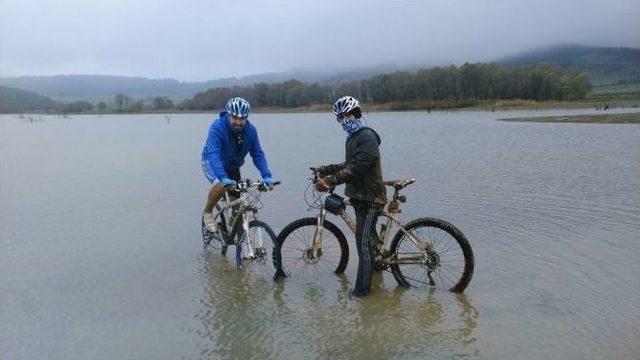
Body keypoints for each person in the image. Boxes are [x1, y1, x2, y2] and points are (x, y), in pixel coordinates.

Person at [314, 96, 387, 297]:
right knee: (368, 241)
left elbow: (358, 168)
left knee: (362, 244)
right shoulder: (354, 137)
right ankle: (376, 272)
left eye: (344, 116)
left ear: (354, 114)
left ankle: (362, 293)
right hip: (360, 197)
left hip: (370, 198)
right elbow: (349, 165)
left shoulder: (366, 136)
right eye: (339, 118)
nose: (342, 121)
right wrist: (326, 169)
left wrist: (330, 181)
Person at [201, 97, 275, 233]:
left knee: (239, 209)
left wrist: (267, 176)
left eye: (242, 119)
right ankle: (208, 211)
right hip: (212, 162)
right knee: (221, 185)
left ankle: (242, 243)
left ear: (246, 118)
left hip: (233, 166)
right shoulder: (217, 127)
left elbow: (257, 154)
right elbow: (213, 153)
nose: (238, 122)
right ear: (228, 115)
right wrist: (223, 177)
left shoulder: (251, 131)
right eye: (234, 118)